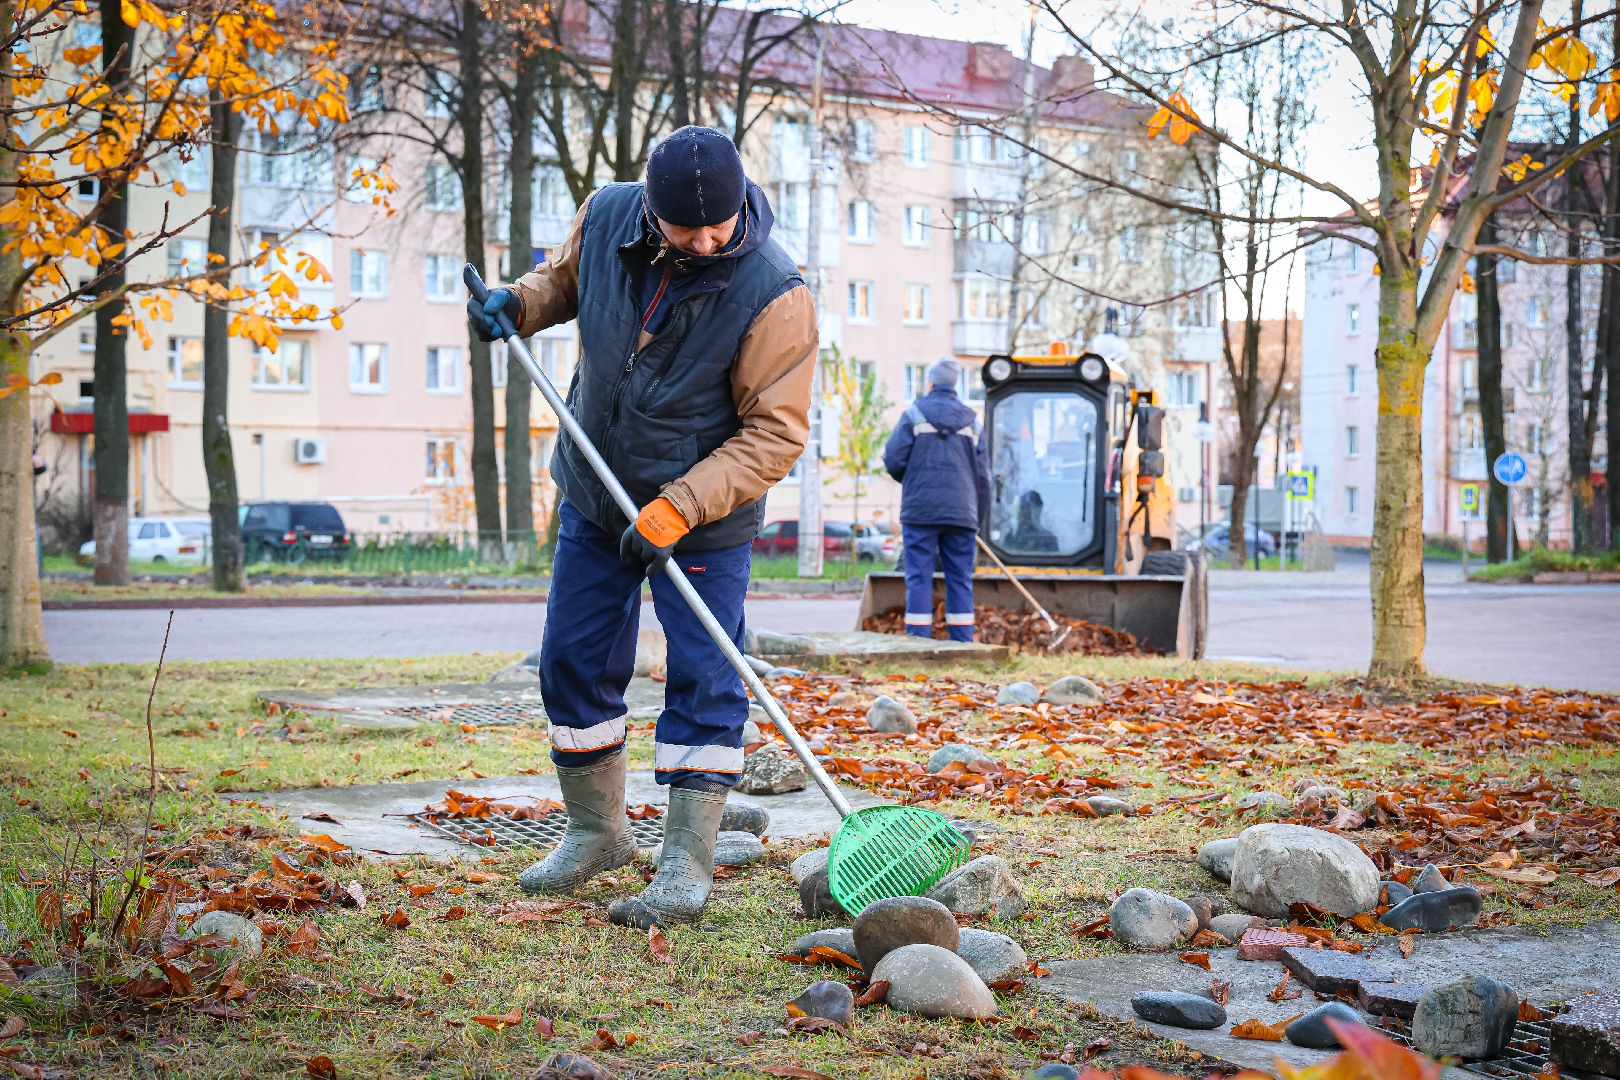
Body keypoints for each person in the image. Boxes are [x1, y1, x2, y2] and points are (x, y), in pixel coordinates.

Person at [467, 126, 817, 928]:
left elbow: (775, 433)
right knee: (571, 659)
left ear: (740, 207)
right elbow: (562, 282)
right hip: (596, 493)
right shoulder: (609, 218)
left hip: (704, 515)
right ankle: (597, 831)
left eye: (717, 225)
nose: (702, 239)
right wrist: (518, 304)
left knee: (704, 677)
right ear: (651, 212)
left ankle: (687, 860)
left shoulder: (773, 291)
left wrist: (681, 506)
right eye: (683, 226)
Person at [881, 357, 990, 642]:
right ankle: (962, 640)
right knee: (960, 579)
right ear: (955, 385)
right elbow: (983, 477)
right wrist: (977, 516)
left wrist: (915, 480)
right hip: (962, 513)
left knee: (918, 576)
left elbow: (893, 459)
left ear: (930, 382)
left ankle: (918, 639)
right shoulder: (973, 422)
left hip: (920, 511)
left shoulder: (914, 414)